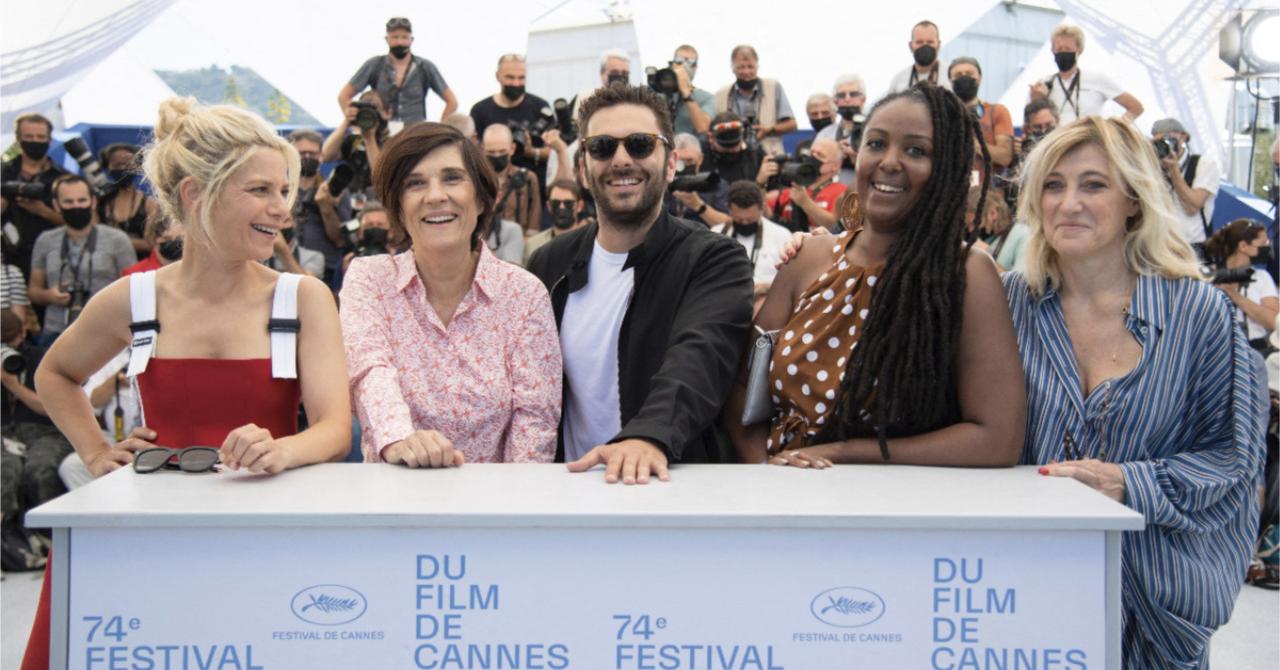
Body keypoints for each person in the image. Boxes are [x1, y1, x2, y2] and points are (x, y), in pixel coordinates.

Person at [23, 97, 352, 670]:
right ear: (196, 195)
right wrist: (96, 451)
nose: (282, 209)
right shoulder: (135, 296)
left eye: (284, 191)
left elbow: (334, 428)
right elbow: (55, 373)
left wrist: (281, 448)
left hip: (261, 536)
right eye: (261, 191)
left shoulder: (302, 297)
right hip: (145, 532)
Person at [1003, 115, 1263, 667]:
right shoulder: (1005, 305)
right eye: (1053, 184)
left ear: (1134, 202)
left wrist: (1130, 482)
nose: (1067, 202)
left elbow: (1234, 459)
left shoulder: (1199, 313)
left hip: (1158, 604)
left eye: (1093, 184)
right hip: (1025, 594)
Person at [728, 83, 1025, 469]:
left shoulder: (967, 275)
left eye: (916, 150)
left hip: (893, 515)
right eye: (876, 144)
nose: (889, 161)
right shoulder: (808, 258)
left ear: (948, 168)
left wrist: (843, 453)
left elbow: (997, 439)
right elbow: (740, 392)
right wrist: (766, 471)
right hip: (783, 506)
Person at [526, 84, 753, 484]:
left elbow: (700, 356)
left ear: (670, 163)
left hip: (665, 491)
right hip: (568, 495)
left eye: (640, 144)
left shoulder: (714, 258)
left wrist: (648, 436)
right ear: (583, 168)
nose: (621, 160)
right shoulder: (550, 263)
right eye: (601, 147)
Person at [341, 122, 560, 467]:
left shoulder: (524, 294)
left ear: (482, 198)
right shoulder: (369, 280)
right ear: (397, 205)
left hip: (494, 506)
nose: (435, 196)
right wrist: (401, 440)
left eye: (452, 178)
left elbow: (535, 422)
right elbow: (369, 371)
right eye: (415, 183)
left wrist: (516, 510)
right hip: (392, 499)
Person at [27, 175, 135, 344]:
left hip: (107, 331)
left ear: (93, 202)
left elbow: (134, 287)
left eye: (81, 200)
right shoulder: (45, 240)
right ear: (56, 205)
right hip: (56, 331)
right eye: (68, 202)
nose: (76, 206)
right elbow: (33, 291)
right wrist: (50, 296)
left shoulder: (117, 239)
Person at [339, 16, 457, 129]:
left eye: (404, 37)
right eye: (395, 37)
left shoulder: (425, 67)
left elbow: (452, 101)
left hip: (414, 132)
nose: (400, 42)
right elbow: (344, 96)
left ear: (411, 40)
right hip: (383, 133)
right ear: (387, 39)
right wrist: (356, 123)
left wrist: (441, 129)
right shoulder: (374, 65)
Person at [470, 54, 556, 186]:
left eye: (521, 78)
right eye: (510, 77)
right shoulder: (480, 111)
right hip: (493, 187)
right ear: (498, 77)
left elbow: (556, 151)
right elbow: (472, 153)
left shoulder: (540, 108)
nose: (516, 83)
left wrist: (531, 152)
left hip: (534, 188)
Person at [1029, 24, 1143, 123]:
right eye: (1059, 49)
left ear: (1079, 50)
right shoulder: (1043, 84)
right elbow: (1030, 123)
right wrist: (1036, 100)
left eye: (1068, 49)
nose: (1063, 52)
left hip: (1087, 143)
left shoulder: (1098, 80)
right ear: (1052, 51)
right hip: (1056, 143)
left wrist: (1113, 130)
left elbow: (1136, 107)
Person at [0, 113, 66, 279]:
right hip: (8, 261)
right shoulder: (3, 174)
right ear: (17, 139)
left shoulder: (63, 178)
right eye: (29, 136)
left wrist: (43, 211)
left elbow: (80, 222)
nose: (35, 141)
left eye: (40, 137)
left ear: (50, 140)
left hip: (52, 260)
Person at [712, 180, 790, 314]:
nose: (744, 223)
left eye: (750, 220)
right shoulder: (715, 234)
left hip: (766, 308)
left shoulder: (782, 236)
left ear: (762, 208)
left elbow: (791, 282)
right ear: (729, 209)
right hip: (723, 307)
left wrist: (768, 287)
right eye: (738, 220)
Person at [289, 130, 353, 288]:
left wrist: (326, 207)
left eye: (312, 153)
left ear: (321, 156)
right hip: (284, 265)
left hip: (327, 269)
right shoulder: (282, 188)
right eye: (302, 153)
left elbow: (340, 239)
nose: (307, 157)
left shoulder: (335, 189)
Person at [1204, 218, 1277, 353]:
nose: (1267, 248)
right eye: (1263, 244)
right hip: (1215, 347)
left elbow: (1274, 322)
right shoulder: (1209, 275)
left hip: (1255, 349)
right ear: (1243, 246)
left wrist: (1235, 295)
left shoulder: (1261, 277)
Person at [713, 46, 797, 156]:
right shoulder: (720, 95)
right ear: (732, 67)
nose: (746, 72)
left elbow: (792, 125)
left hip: (769, 155)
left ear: (758, 66)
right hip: (732, 157)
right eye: (741, 67)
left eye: (750, 67)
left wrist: (769, 129)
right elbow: (713, 131)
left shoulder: (773, 87)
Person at [1151, 117, 1219, 252]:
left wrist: (1174, 170)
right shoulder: (1151, 166)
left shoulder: (1203, 164)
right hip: (1158, 247)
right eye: (1159, 143)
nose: (1165, 146)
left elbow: (1192, 207)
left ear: (1183, 137)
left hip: (1191, 247)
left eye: (1169, 140)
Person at [764, 138, 846, 232]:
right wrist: (761, 183)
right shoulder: (794, 189)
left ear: (836, 165)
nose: (812, 158)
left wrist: (805, 202)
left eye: (820, 155)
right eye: (811, 153)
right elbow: (765, 214)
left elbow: (835, 227)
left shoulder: (841, 192)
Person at [948, 57, 1013, 172]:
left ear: (979, 78)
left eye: (969, 73)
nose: (964, 77)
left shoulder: (997, 111)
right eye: (958, 75)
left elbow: (1005, 157)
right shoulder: (943, 116)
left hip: (989, 187)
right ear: (950, 80)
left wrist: (974, 144)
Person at [96, 143, 158, 259]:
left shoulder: (149, 203)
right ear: (107, 167)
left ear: (137, 166)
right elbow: (94, 237)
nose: (122, 168)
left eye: (128, 164)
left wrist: (114, 241)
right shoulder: (101, 201)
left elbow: (150, 244)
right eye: (117, 165)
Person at [482, 123, 543, 235]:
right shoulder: (476, 181)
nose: (497, 156)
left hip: (519, 245)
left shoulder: (528, 179)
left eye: (502, 151)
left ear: (512, 149)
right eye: (491, 152)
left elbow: (533, 226)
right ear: (483, 149)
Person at [816, 74, 868, 185]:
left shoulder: (874, 131)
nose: (847, 99)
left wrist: (858, 157)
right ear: (835, 102)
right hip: (829, 194)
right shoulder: (825, 134)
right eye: (841, 95)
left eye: (853, 94)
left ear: (863, 99)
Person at [525, 179, 588, 264]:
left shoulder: (589, 244)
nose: (562, 207)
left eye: (568, 203)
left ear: (580, 206)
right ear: (549, 206)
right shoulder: (533, 246)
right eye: (556, 203)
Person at [964, 185, 1026, 272]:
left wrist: (987, 256)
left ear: (993, 213)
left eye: (975, 223)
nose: (971, 230)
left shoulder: (1023, 235)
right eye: (968, 225)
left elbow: (1021, 284)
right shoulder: (990, 237)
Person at [885, 21, 951, 94]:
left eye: (930, 42)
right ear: (910, 46)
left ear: (938, 45)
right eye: (919, 42)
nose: (925, 46)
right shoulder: (898, 81)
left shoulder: (951, 75)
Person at [670, 44, 715, 136]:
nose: (684, 67)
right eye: (679, 61)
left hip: (690, 148)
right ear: (672, 63)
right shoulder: (657, 93)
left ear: (695, 67)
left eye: (691, 62)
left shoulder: (707, 97)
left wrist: (686, 91)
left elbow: (703, 128)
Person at [264, 213, 324, 278]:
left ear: (295, 223)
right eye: (275, 221)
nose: (280, 226)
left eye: (285, 221)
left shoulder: (313, 256)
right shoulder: (259, 255)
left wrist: (283, 250)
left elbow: (306, 285)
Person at [341, 204, 395, 274]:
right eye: (369, 225)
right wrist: (347, 273)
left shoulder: (402, 261)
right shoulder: (349, 261)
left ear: (390, 232)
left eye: (380, 225)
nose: (375, 228)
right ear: (360, 232)